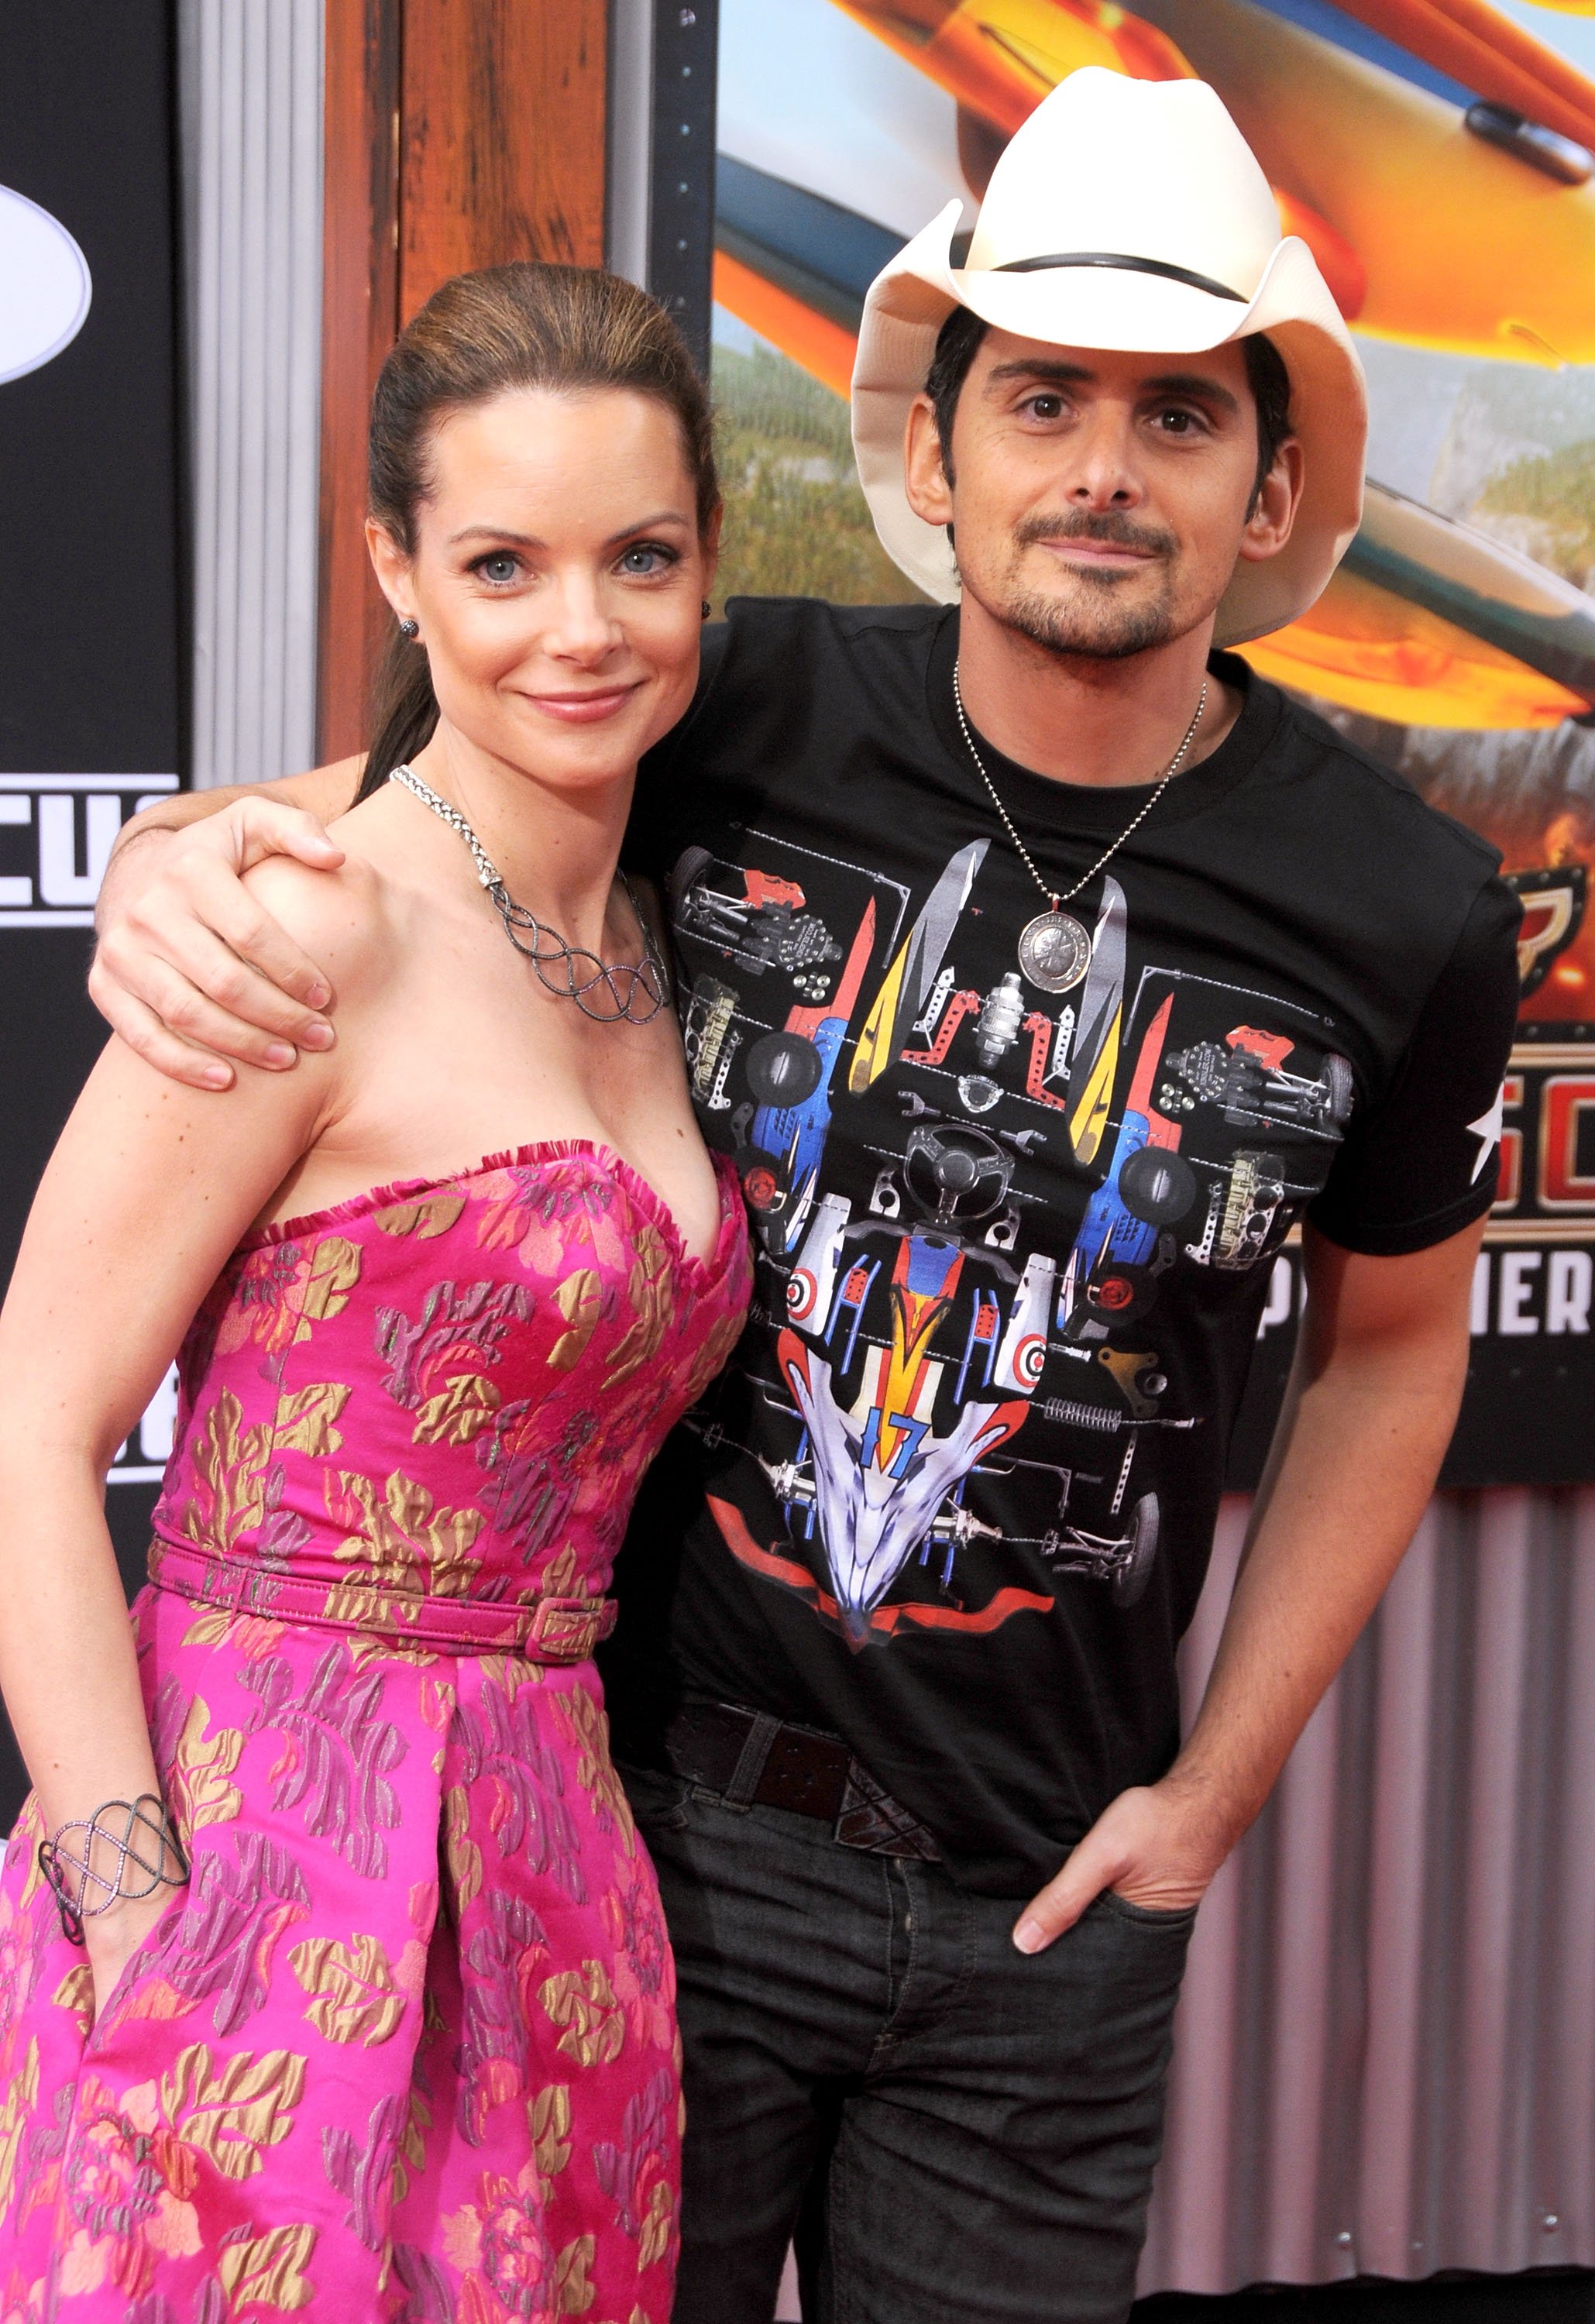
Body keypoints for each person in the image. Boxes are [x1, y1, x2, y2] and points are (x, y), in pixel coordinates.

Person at [87, 70, 1519, 2324]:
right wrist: (171, 866)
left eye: (1175, 416)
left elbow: (1396, 1353)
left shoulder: (1409, 903)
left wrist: (1212, 1801)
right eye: (1040, 400)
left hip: (1044, 1913)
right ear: (934, 459)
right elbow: (390, 797)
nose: (1101, 472)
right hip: (652, 1841)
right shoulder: (721, 701)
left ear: (1267, 486)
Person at [0, 261, 750, 2319]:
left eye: (640, 558)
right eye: (500, 563)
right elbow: (29, 1424)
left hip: (555, 1856)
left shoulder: (663, 935)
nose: (579, 629)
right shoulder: (299, 930)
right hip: (253, 1834)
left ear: (706, 568)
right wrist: (130, 1903)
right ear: (396, 575)